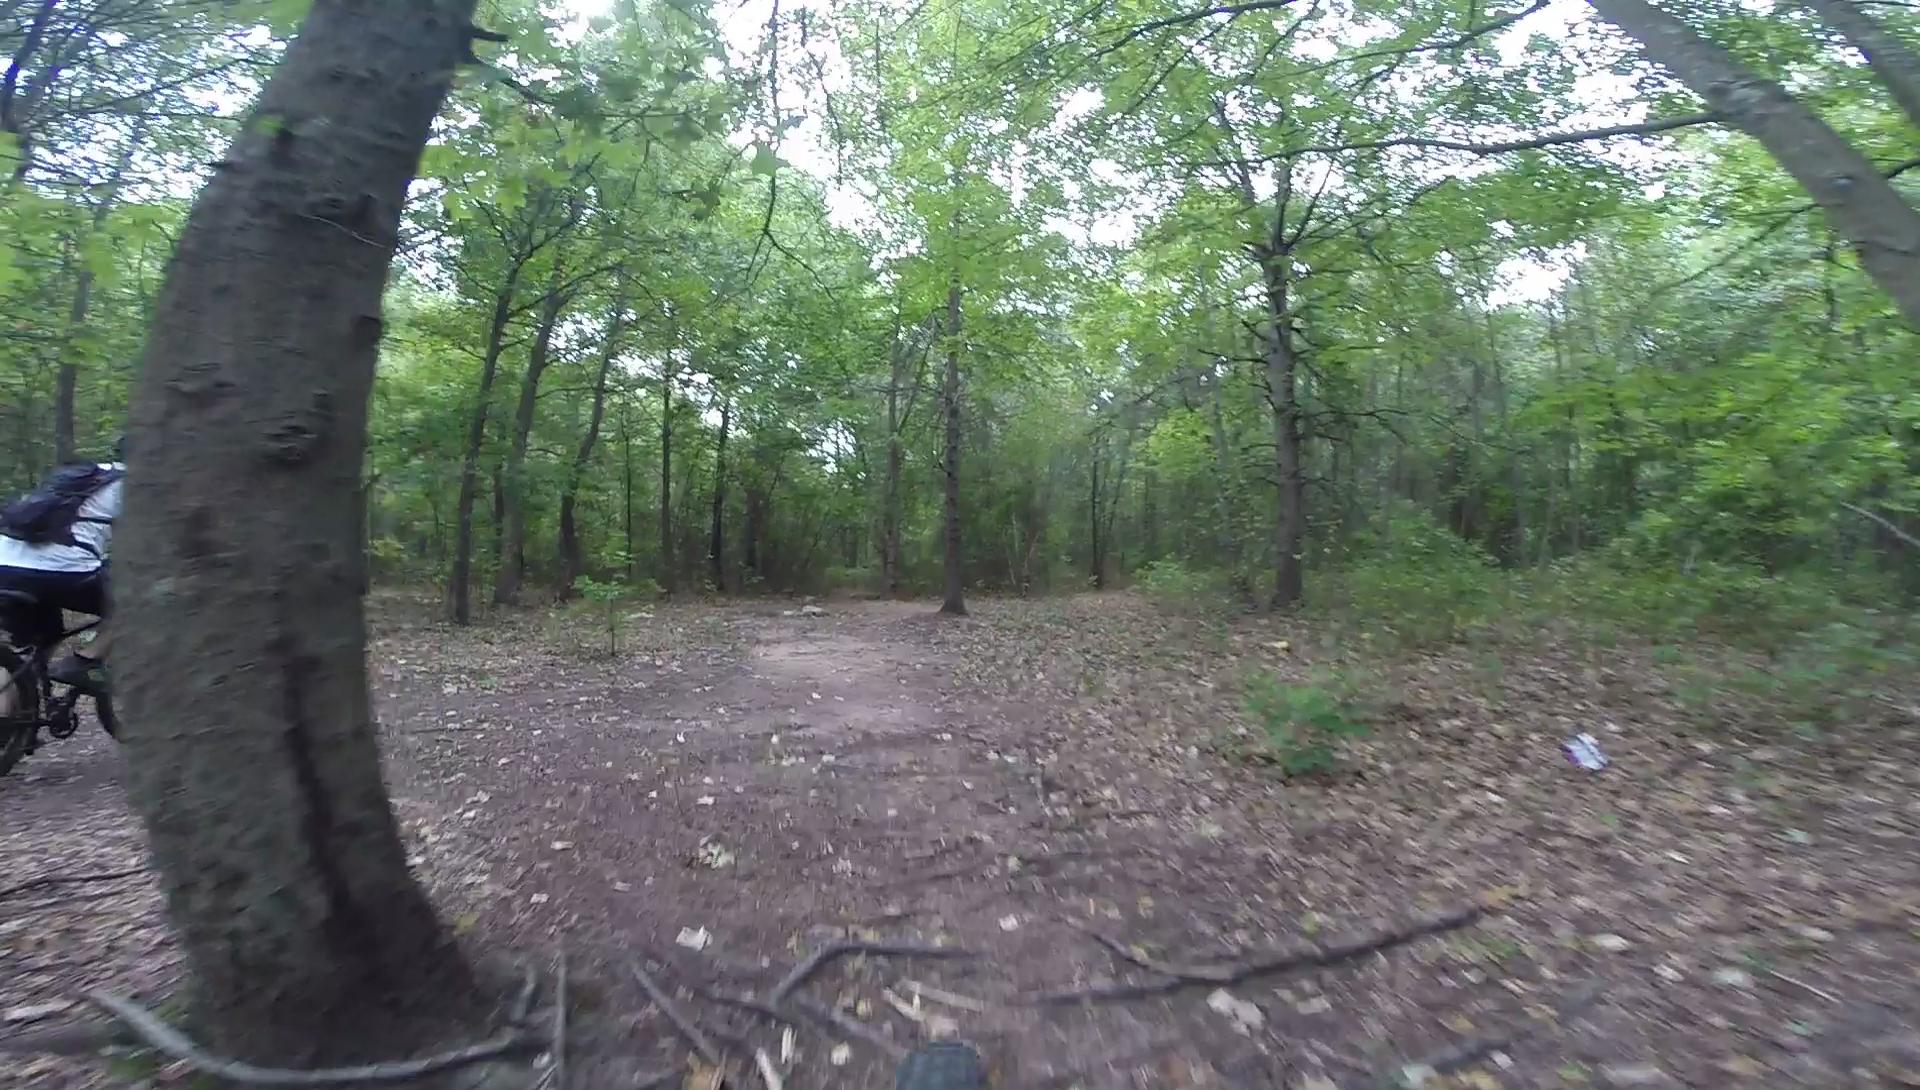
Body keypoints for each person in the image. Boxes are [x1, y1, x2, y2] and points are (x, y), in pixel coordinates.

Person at [0, 438, 124, 696]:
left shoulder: (85, 475)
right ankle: (85, 661)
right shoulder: (136, 486)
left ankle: (14, 730)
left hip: (6, 563)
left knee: (29, 650)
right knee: (138, 604)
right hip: (61, 570)